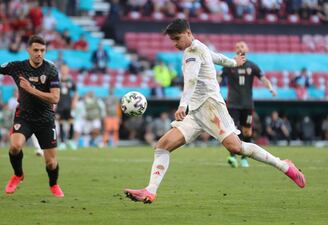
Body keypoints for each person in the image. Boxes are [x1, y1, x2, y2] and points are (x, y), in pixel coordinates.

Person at [124, 19, 305, 204]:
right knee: (162, 146)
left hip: (210, 106)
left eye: (177, 39)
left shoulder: (193, 51)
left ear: (188, 33)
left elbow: (192, 81)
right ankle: (150, 191)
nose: (175, 44)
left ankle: (284, 166)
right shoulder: (197, 47)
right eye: (172, 40)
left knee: (236, 147)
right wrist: (234, 63)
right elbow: (216, 57)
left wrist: (181, 106)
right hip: (195, 112)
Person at [0, 35, 64, 197]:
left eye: (42, 50)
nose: (39, 53)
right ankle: (18, 175)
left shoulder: (51, 70)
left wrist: (31, 89)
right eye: (36, 50)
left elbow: (55, 98)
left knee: (51, 163)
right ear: (28, 50)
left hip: (46, 119)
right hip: (24, 116)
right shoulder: (17, 67)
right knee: (15, 147)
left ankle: (53, 184)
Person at [220, 41, 277, 168]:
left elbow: (263, 78)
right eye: (237, 46)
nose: (239, 48)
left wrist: (271, 88)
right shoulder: (230, 64)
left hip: (247, 104)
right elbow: (219, 77)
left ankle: (245, 158)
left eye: (242, 46)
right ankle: (232, 157)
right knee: (232, 131)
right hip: (233, 104)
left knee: (247, 131)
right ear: (235, 50)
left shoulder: (252, 66)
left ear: (247, 49)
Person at [56, 64, 78, 150]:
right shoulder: (57, 80)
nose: (64, 70)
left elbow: (76, 93)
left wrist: (74, 102)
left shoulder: (71, 81)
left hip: (69, 105)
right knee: (61, 123)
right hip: (60, 105)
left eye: (66, 69)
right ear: (60, 70)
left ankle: (70, 140)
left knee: (71, 122)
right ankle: (62, 142)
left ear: (68, 70)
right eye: (63, 69)